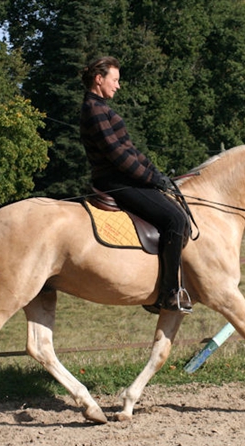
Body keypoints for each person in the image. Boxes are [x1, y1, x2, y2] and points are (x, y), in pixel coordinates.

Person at [79, 56, 192, 314]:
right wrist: (151, 179)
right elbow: (116, 154)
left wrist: (157, 173)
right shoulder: (94, 110)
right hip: (115, 181)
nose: (118, 86)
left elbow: (129, 149)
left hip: (124, 177)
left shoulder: (101, 108)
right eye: (115, 80)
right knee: (175, 219)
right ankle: (168, 293)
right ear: (99, 79)